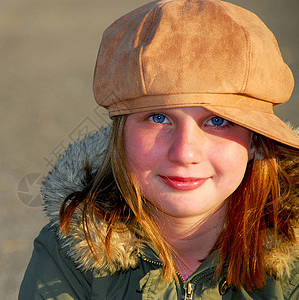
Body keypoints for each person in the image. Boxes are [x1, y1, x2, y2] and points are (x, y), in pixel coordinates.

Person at [19, 0, 299, 298]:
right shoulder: (71, 254)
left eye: (218, 121)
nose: (184, 153)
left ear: (256, 140)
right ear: (121, 134)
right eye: (159, 117)